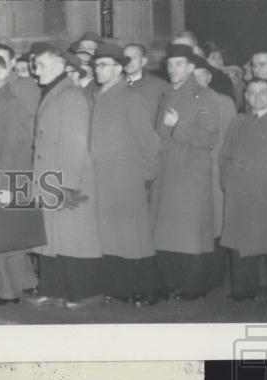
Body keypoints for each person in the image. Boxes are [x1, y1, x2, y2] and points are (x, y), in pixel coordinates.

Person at [25, 43, 102, 310]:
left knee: (74, 240)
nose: (37, 72)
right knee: (52, 237)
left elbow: (74, 145)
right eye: (35, 66)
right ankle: (54, 289)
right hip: (50, 176)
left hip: (67, 180)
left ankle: (86, 294)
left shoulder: (71, 96)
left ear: (61, 64)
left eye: (42, 65)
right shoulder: (54, 93)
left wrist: (65, 186)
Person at [89, 44, 163, 306]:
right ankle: (120, 288)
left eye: (105, 65)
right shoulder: (100, 96)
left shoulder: (130, 98)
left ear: (119, 68)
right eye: (96, 65)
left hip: (127, 178)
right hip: (104, 179)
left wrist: (145, 176)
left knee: (134, 238)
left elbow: (150, 142)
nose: (98, 70)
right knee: (112, 236)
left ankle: (148, 289)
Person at [151, 44, 222, 301]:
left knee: (191, 235)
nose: (172, 69)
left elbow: (209, 138)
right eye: (170, 64)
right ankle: (172, 283)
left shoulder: (205, 96)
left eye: (179, 64)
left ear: (192, 67)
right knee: (168, 233)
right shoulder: (167, 94)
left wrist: (177, 125)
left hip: (190, 175)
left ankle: (194, 287)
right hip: (168, 172)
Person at [0, 54, 39, 305]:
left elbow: (16, 147)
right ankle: (26, 283)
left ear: (4, 73)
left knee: (0, 235)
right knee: (9, 235)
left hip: (1, 178)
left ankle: (7, 291)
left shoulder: (9, 102)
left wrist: (8, 186)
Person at [220, 79, 267, 304]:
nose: (257, 97)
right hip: (240, 191)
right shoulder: (238, 122)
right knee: (242, 240)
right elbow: (225, 156)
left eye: (262, 93)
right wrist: (229, 177)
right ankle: (243, 289)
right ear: (246, 97)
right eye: (252, 93)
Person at [192, 56, 238, 290]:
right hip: (190, 176)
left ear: (209, 78)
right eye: (193, 76)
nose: (196, 81)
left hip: (214, 172)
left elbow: (230, 142)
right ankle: (197, 278)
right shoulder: (184, 100)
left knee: (217, 225)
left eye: (201, 75)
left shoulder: (224, 103)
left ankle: (216, 277)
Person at [123, 44, 170, 122]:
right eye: (125, 57)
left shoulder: (159, 86)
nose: (129, 61)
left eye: (134, 57)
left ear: (144, 61)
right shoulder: (114, 84)